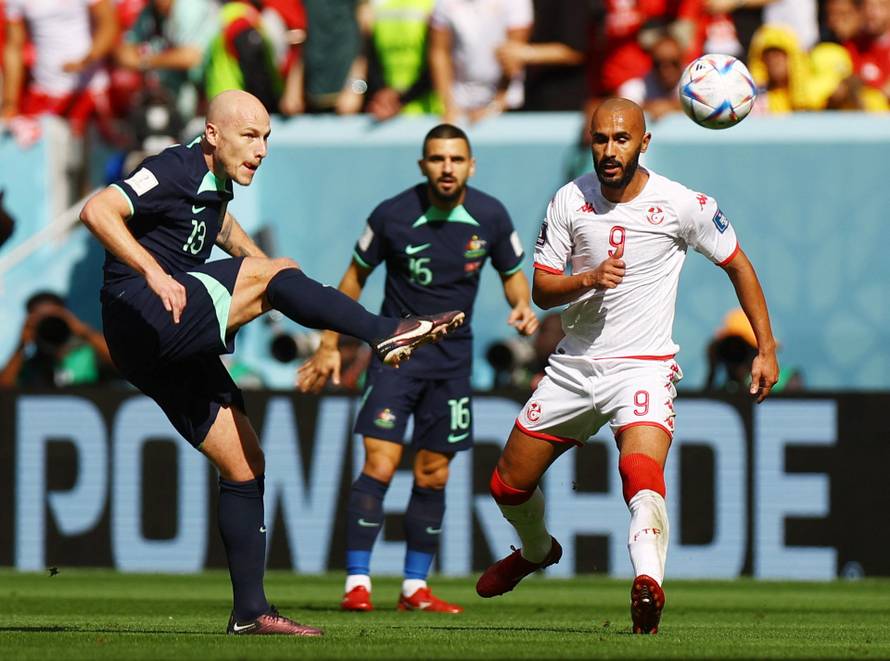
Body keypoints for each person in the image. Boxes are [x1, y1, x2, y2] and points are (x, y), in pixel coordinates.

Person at [78, 89, 464, 636]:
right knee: (276, 272)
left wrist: (283, 281)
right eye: (250, 136)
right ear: (213, 134)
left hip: (155, 348)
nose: (261, 149)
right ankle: (383, 332)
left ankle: (250, 613)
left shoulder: (215, 186)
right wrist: (155, 273)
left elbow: (225, 232)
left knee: (245, 463)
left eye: (267, 138)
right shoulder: (173, 166)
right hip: (143, 311)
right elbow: (98, 209)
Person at [474, 98, 779, 635]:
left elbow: (739, 265)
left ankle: (647, 587)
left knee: (640, 474)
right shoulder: (570, 199)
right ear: (589, 142)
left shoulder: (682, 205)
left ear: (643, 142)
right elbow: (543, 289)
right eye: (600, 140)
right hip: (574, 367)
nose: (610, 150)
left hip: (644, 366)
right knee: (506, 487)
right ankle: (538, 551)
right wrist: (587, 279)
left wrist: (766, 347)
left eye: (621, 139)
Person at [298, 123, 538, 613]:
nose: (446, 168)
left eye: (455, 159)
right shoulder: (392, 215)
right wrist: (329, 343)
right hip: (395, 356)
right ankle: (357, 583)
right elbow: (351, 281)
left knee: (433, 476)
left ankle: (414, 589)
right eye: (436, 159)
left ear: (471, 165)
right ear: (422, 165)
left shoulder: (490, 216)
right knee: (379, 465)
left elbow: (514, 278)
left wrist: (521, 307)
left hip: (452, 364)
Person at [0, 291, 116, 388]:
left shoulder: (88, 355)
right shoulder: (30, 366)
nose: (49, 326)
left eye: (53, 318)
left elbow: (121, 364)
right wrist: (21, 345)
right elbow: (4, 389)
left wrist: (83, 331)